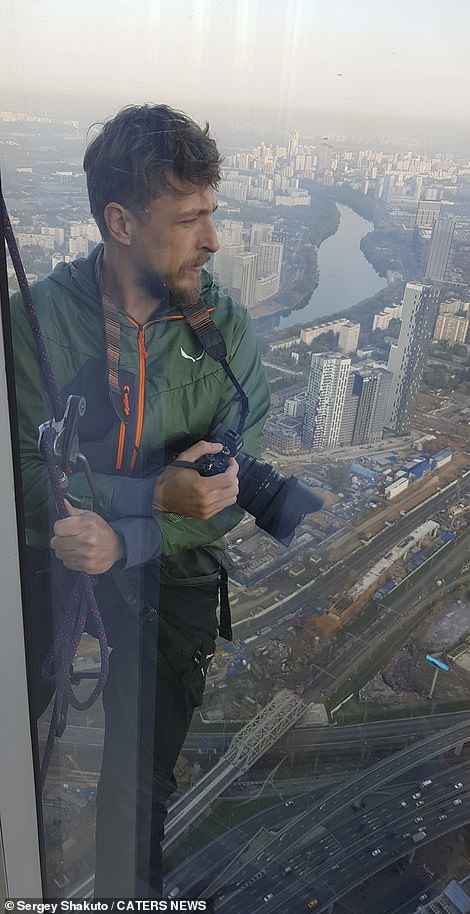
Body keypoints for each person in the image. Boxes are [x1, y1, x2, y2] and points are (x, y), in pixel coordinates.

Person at [10, 104, 270, 898]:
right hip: (48, 564)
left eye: (211, 215)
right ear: (119, 222)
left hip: (168, 575)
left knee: (136, 790)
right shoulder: (36, 324)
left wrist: (130, 534)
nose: (213, 240)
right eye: (190, 219)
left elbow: (236, 488)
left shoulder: (220, 327)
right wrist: (152, 492)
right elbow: (21, 478)